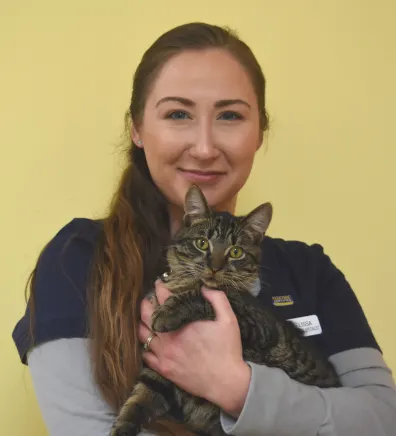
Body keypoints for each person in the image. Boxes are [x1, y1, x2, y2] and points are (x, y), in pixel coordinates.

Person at [12, 22, 396, 436]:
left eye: (230, 115)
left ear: (259, 133)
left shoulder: (310, 269)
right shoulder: (79, 257)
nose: (205, 147)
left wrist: (238, 388)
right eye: (178, 114)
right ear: (137, 129)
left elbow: (383, 418)